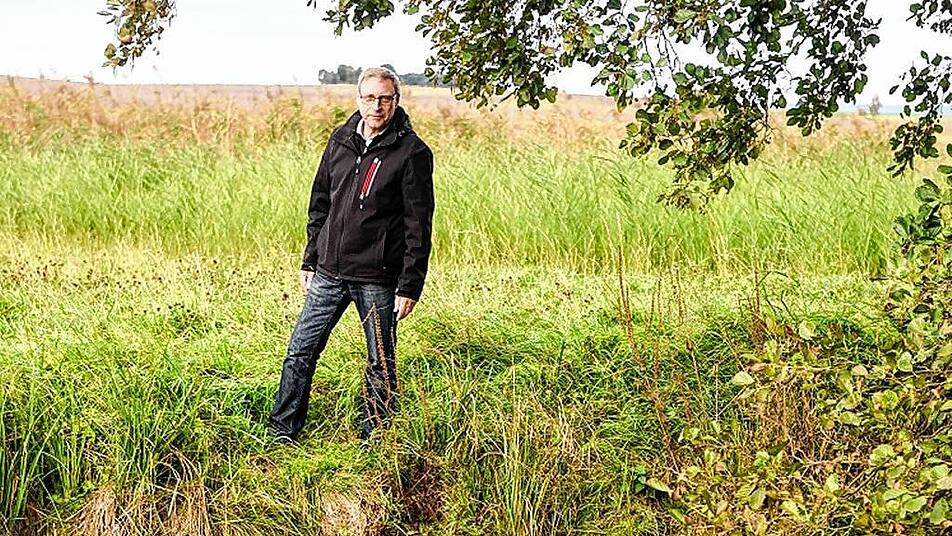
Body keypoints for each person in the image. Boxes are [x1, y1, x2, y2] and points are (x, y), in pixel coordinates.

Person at [268, 66, 435, 443]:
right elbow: (320, 203)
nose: (377, 106)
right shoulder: (340, 140)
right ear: (359, 99)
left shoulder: (412, 153)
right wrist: (311, 258)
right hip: (329, 271)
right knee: (300, 351)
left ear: (396, 101)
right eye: (370, 98)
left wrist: (409, 285)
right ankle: (282, 431)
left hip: (378, 277)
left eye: (385, 99)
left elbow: (418, 225)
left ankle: (376, 438)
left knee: (380, 362)